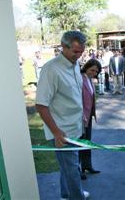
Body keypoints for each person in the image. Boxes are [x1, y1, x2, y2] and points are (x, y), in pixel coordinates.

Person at [35, 31, 90, 200]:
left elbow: (73, 95)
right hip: (62, 131)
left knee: (67, 166)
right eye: (75, 51)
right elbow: (41, 105)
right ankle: (76, 196)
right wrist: (57, 132)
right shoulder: (51, 69)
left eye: (81, 51)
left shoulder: (74, 64)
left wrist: (83, 115)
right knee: (72, 168)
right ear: (63, 47)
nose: (79, 55)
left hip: (76, 125)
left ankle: (66, 194)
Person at [79, 59, 102, 180]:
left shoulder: (90, 80)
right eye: (92, 70)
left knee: (87, 142)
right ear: (86, 67)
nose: (94, 73)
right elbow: (77, 99)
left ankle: (88, 166)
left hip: (89, 117)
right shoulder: (80, 79)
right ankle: (79, 170)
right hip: (81, 118)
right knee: (79, 144)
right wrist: (82, 115)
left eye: (96, 71)